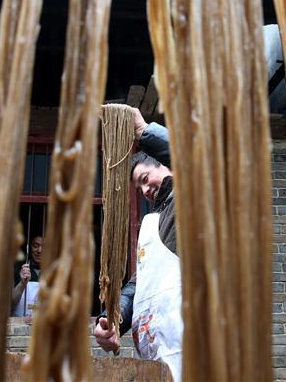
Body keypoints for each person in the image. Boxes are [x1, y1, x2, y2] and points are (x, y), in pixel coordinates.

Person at [93, 105, 182, 381]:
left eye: (145, 178)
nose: (145, 191)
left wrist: (144, 132)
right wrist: (112, 319)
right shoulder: (152, 222)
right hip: (158, 356)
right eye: (139, 188)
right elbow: (140, 283)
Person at [12, 235, 44, 319]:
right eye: (35, 246)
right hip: (19, 326)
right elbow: (9, 305)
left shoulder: (52, 271)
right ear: (29, 248)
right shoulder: (17, 268)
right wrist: (22, 284)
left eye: (43, 246)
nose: (39, 250)